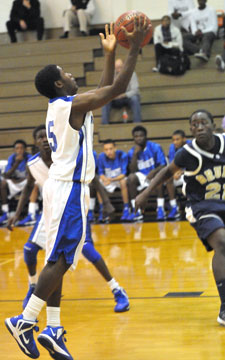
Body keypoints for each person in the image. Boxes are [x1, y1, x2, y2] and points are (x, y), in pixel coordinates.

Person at [5, 18, 149, 360]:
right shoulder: (67, 106)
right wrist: (136, 48)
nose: (72, 75)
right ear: (59, 82)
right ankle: (25, 321)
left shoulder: (66, 107)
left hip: (64, 188)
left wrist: (108, 55)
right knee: (62, 259)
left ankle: (53, 327)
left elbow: (101, 94)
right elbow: (114, 93)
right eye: (67, 73)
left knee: (60, 258)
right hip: (68, 189)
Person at [7, 125, 129, 313]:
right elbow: (27, 188)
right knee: (29, 250)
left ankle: (117, 289)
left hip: (74, 209)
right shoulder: (32, 164)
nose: (44, 140)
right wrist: (16, 214)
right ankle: (32, 286)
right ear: (35, 142)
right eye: (40, 137)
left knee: (87, 249)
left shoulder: (65, 157)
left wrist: (106, 201)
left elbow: (93, 178)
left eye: (47, 136)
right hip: (50, 213)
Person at [135, 109, 225, 326]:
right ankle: (224, 308)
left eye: (204, 122)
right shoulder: (187, 153)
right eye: (194, 124)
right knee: (222, 243)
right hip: (202, 207)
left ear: (213, 125)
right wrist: (145, 192)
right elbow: (167, 172)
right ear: (191, 130)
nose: (199, 127)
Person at [127, 126, 179, 221]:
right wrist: (135, 155)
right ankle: (136, 210)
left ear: (146, 136)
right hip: (142, 176)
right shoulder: (132, 151)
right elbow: (132, 171)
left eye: (141, 136)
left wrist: (153, 172)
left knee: (158, 176)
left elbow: (163, 165)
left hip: (155, 173)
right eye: (136, 136)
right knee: (131, 178)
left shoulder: (155, 147)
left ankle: (160, 208)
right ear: (133, 138)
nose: (139, 138)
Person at [0, 139, 32, 225]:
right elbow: (7, 175)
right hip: (15, 182)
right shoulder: (12, 158)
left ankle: (32, 213)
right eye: (17, 148)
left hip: (26, 182)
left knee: (32, 182)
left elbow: (31, 176)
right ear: (14, 150)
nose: (19, 150)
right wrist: (17, 163)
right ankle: (5, 212)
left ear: (25, 149)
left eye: (21, 148)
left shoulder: (29, 157)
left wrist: (18, 180)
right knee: (3, 183)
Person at [97, 139, 130, 221]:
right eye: (106, 150)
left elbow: (123, 174)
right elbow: (100, 173)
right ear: (103, 151)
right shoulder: (101, 157)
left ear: (115, 148)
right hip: (108, 180)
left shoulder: (123, 155)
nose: (109, 152)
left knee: (123, 182)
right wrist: (105, 180)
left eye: (111, 149)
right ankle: (103, 210)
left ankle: (126, 208)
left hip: (118, 179)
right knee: (98, 184)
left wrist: (111, 179)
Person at [101, 58, 142, 123]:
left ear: (124, 66)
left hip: (127, 97)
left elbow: (135, 90)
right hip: (114, 98)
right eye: (117, 68)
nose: (119, 70)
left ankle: (137, 123)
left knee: (135, 98)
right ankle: (104, 125)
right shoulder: (110, 75)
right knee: (105, 101)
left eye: (120, 67)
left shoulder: (131, 74)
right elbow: (105, 88)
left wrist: (123, 95)